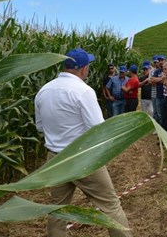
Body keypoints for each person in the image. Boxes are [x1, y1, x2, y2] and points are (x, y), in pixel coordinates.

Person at [35, 48, 131, 237]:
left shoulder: (43, 90)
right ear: (83, 69)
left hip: (55, 159)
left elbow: (40, 127)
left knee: (58, 208)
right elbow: (98, 129)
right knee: (110, 206)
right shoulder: (83, 91)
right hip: (82, 157)